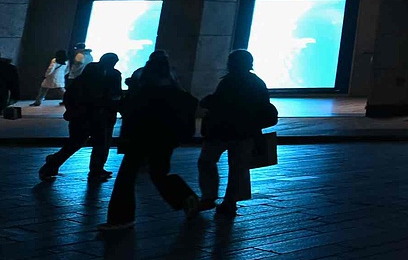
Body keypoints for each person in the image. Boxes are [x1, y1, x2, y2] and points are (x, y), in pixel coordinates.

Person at [102, 53, 201, 231]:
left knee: (127, 177)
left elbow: (129, 111)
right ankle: (186, 196)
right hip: (165, 139)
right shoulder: (176, 91)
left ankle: (121, 218)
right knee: (159, 173)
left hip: (139, 139)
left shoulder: (144, 90)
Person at [198, 49, 274, 215]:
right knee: (238, 168)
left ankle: (209, 196)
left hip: (220, 131)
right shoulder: (257, 83)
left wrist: (207, 103)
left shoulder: (228, 81)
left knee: (206, 161)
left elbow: (218, 102)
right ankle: (230, 202)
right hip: (246, 132)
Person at [41, 51, 121, 182]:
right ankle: (96, 170)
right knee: (101, 144)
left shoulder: (86, 76)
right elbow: (115, 96)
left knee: (75, 143)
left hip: (81, 116)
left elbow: (70, 95)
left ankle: (53, 163)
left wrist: (73, 110)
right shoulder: (114, 75)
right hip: (103, 116)